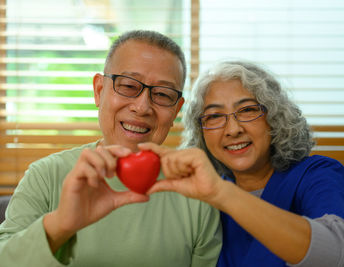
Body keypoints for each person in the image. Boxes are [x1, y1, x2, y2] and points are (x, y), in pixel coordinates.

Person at [0, 30, 222, 267]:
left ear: (176, 111)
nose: (142, 107)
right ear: (99, 90)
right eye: (128, 85)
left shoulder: (196, 192)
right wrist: (60, 225)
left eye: (162, 94)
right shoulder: (46, 176)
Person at [142, 61, 344, 266]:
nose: (233, 129)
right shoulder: (200, 198)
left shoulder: (316, 174)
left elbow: (335, 253)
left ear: (274, 117)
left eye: (247, 110)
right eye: (214, 116)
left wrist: (222, 193)